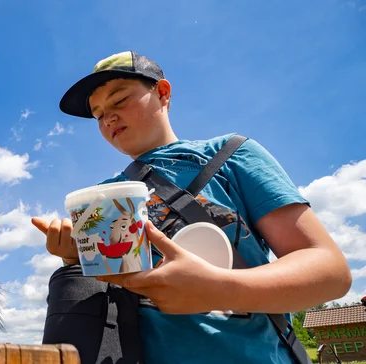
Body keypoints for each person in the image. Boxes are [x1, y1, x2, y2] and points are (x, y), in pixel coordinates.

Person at [32, 50, 352, 364]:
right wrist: (75, 258)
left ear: (163, 93)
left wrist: (220, 288)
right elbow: (112, 299)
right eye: (98, 114)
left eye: (119, 100)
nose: (108, 118)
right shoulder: (103, 196)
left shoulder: (232, 154)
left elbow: (331, 273)